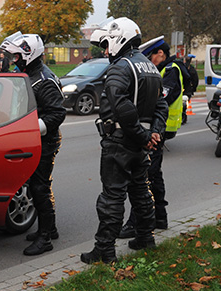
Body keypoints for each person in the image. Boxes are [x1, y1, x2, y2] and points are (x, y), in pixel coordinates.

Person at [81, 18, 168, 264]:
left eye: (107, 45)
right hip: (139, 143)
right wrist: (154, 135)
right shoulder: (149, 66)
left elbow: (121, 106)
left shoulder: (121, 67)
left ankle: (105, 250)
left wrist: (143, 136)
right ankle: (145, 237)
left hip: (120, 141)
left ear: (120, 39)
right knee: (140, 190)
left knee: (112, 196)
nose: (106, 51)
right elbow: (161, 106)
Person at [0, 32, 66, 256]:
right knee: (37, 185)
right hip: (35, 139)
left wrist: (31, 128)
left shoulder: (43, 80)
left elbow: (57, 114)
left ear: (29, 54)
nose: (14, 60)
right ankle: (50, 229)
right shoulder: (31, 75)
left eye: (17, 56)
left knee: (39, 187)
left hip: (45, 141)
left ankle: (45, 238)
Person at [117, 35, 185, 239]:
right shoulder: (162, 69)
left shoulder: (170, 70)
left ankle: (136, 223)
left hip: (159, 128)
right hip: (159, 127)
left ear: (160, 54)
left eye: (150, 56)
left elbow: (161, 98)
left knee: (143, 178)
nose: (148, 61)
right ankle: (160, 218)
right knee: (154, 175)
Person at [182, 54, 199, 124]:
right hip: (188, 90)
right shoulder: (192, 69)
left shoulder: (183, 68)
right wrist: (193, 89)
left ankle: (183, 117)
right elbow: (196, 80)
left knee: (182, 104)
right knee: (184, 104)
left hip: (183, 89)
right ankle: (184, 117)